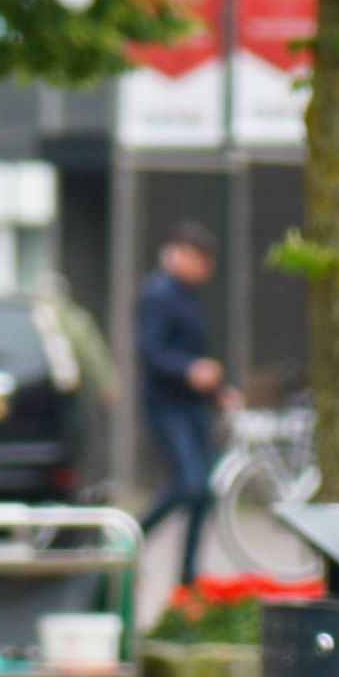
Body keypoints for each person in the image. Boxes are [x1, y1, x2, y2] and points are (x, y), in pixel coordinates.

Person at [132, 226, 229, 585]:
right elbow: (150, 352)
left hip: (192, 405)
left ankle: (188, 575)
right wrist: (188, 369)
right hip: (168, 405)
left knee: (202, 491)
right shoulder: (158, 294)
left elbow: (193, 350)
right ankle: (128, 537)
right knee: (190, 484)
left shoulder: (188, 295)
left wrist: (218, 390)